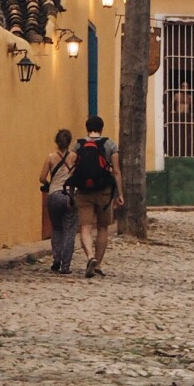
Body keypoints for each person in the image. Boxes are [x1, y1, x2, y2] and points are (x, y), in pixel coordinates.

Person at [67, 115, 121, 277]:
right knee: (103, 227)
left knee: (85, 227)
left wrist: (71, 192)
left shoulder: (78, 145)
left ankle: (90, 256)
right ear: (102, 128)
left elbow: (70, 168)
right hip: (104, 191)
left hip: (84, 192)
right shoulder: (110, 144)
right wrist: (120, 193)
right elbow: (117, 171)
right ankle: (97, 264)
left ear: (87, 128)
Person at [39, 128, 78, 274]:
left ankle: (56, 259)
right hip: (69, 195)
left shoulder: (50, 158)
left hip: (54, 195)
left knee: (56, 228)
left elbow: (42, 178)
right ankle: (66, 265)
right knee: (69, 231)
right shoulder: (74, 157)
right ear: (69, 142)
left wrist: (49, 184)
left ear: (56, 141)